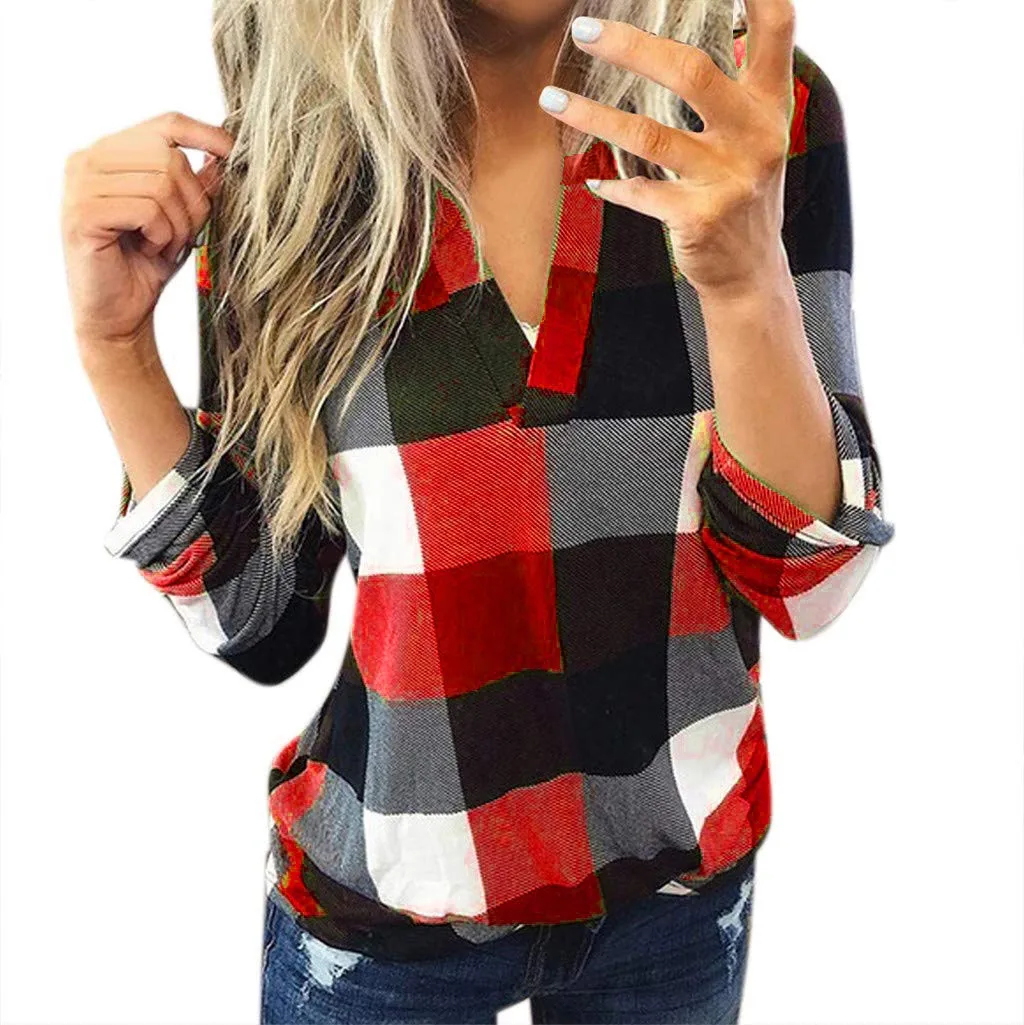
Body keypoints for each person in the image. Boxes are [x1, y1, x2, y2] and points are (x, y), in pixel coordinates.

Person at [60, 0, 895, 1021]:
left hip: (676, 891)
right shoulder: (297, 153)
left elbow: (809, 586)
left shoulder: (745, 102)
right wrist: (116, 350)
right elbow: (262, 618)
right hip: (388, 908)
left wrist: (744, 280)